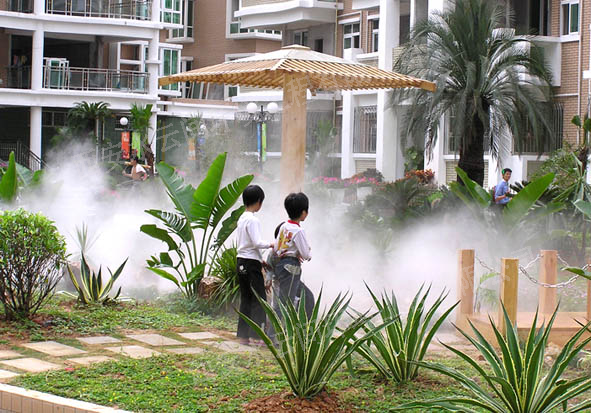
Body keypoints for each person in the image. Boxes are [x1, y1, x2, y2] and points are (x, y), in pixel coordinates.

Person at [236, 185, 273, 346]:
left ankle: (243, 336)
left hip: (241, 261)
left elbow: (247, 244)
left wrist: (260, 260)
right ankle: (258, 337)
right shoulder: (253, 220)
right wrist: (272, 244)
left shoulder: (242, 218)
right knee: (259, 299)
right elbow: (257, 242)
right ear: (258, 201)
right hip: (251, 264)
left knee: (246, 298)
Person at [273, 192, 312, 315]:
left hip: (281, 265)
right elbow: (305, 254)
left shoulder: (283, 226)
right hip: (291, 267)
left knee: (305, 297)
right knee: (285, 303)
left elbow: (276, 247)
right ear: (303, 212)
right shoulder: (299, 231)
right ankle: (275, 327)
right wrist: (308, 252)